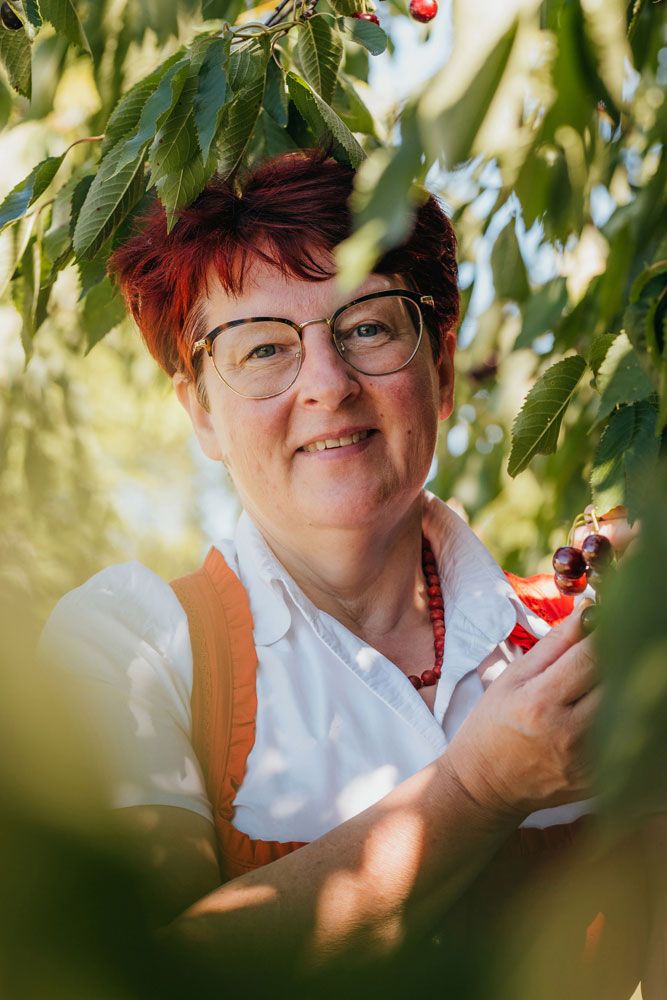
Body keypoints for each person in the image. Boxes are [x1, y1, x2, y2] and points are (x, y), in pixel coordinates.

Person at [39, 150, 649, 996]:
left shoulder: (575, 639)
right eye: (260, 350)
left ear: (439, 369)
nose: (327, 385)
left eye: (366, 327)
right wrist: (477, 789)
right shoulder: (132, 649)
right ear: (200, 413)